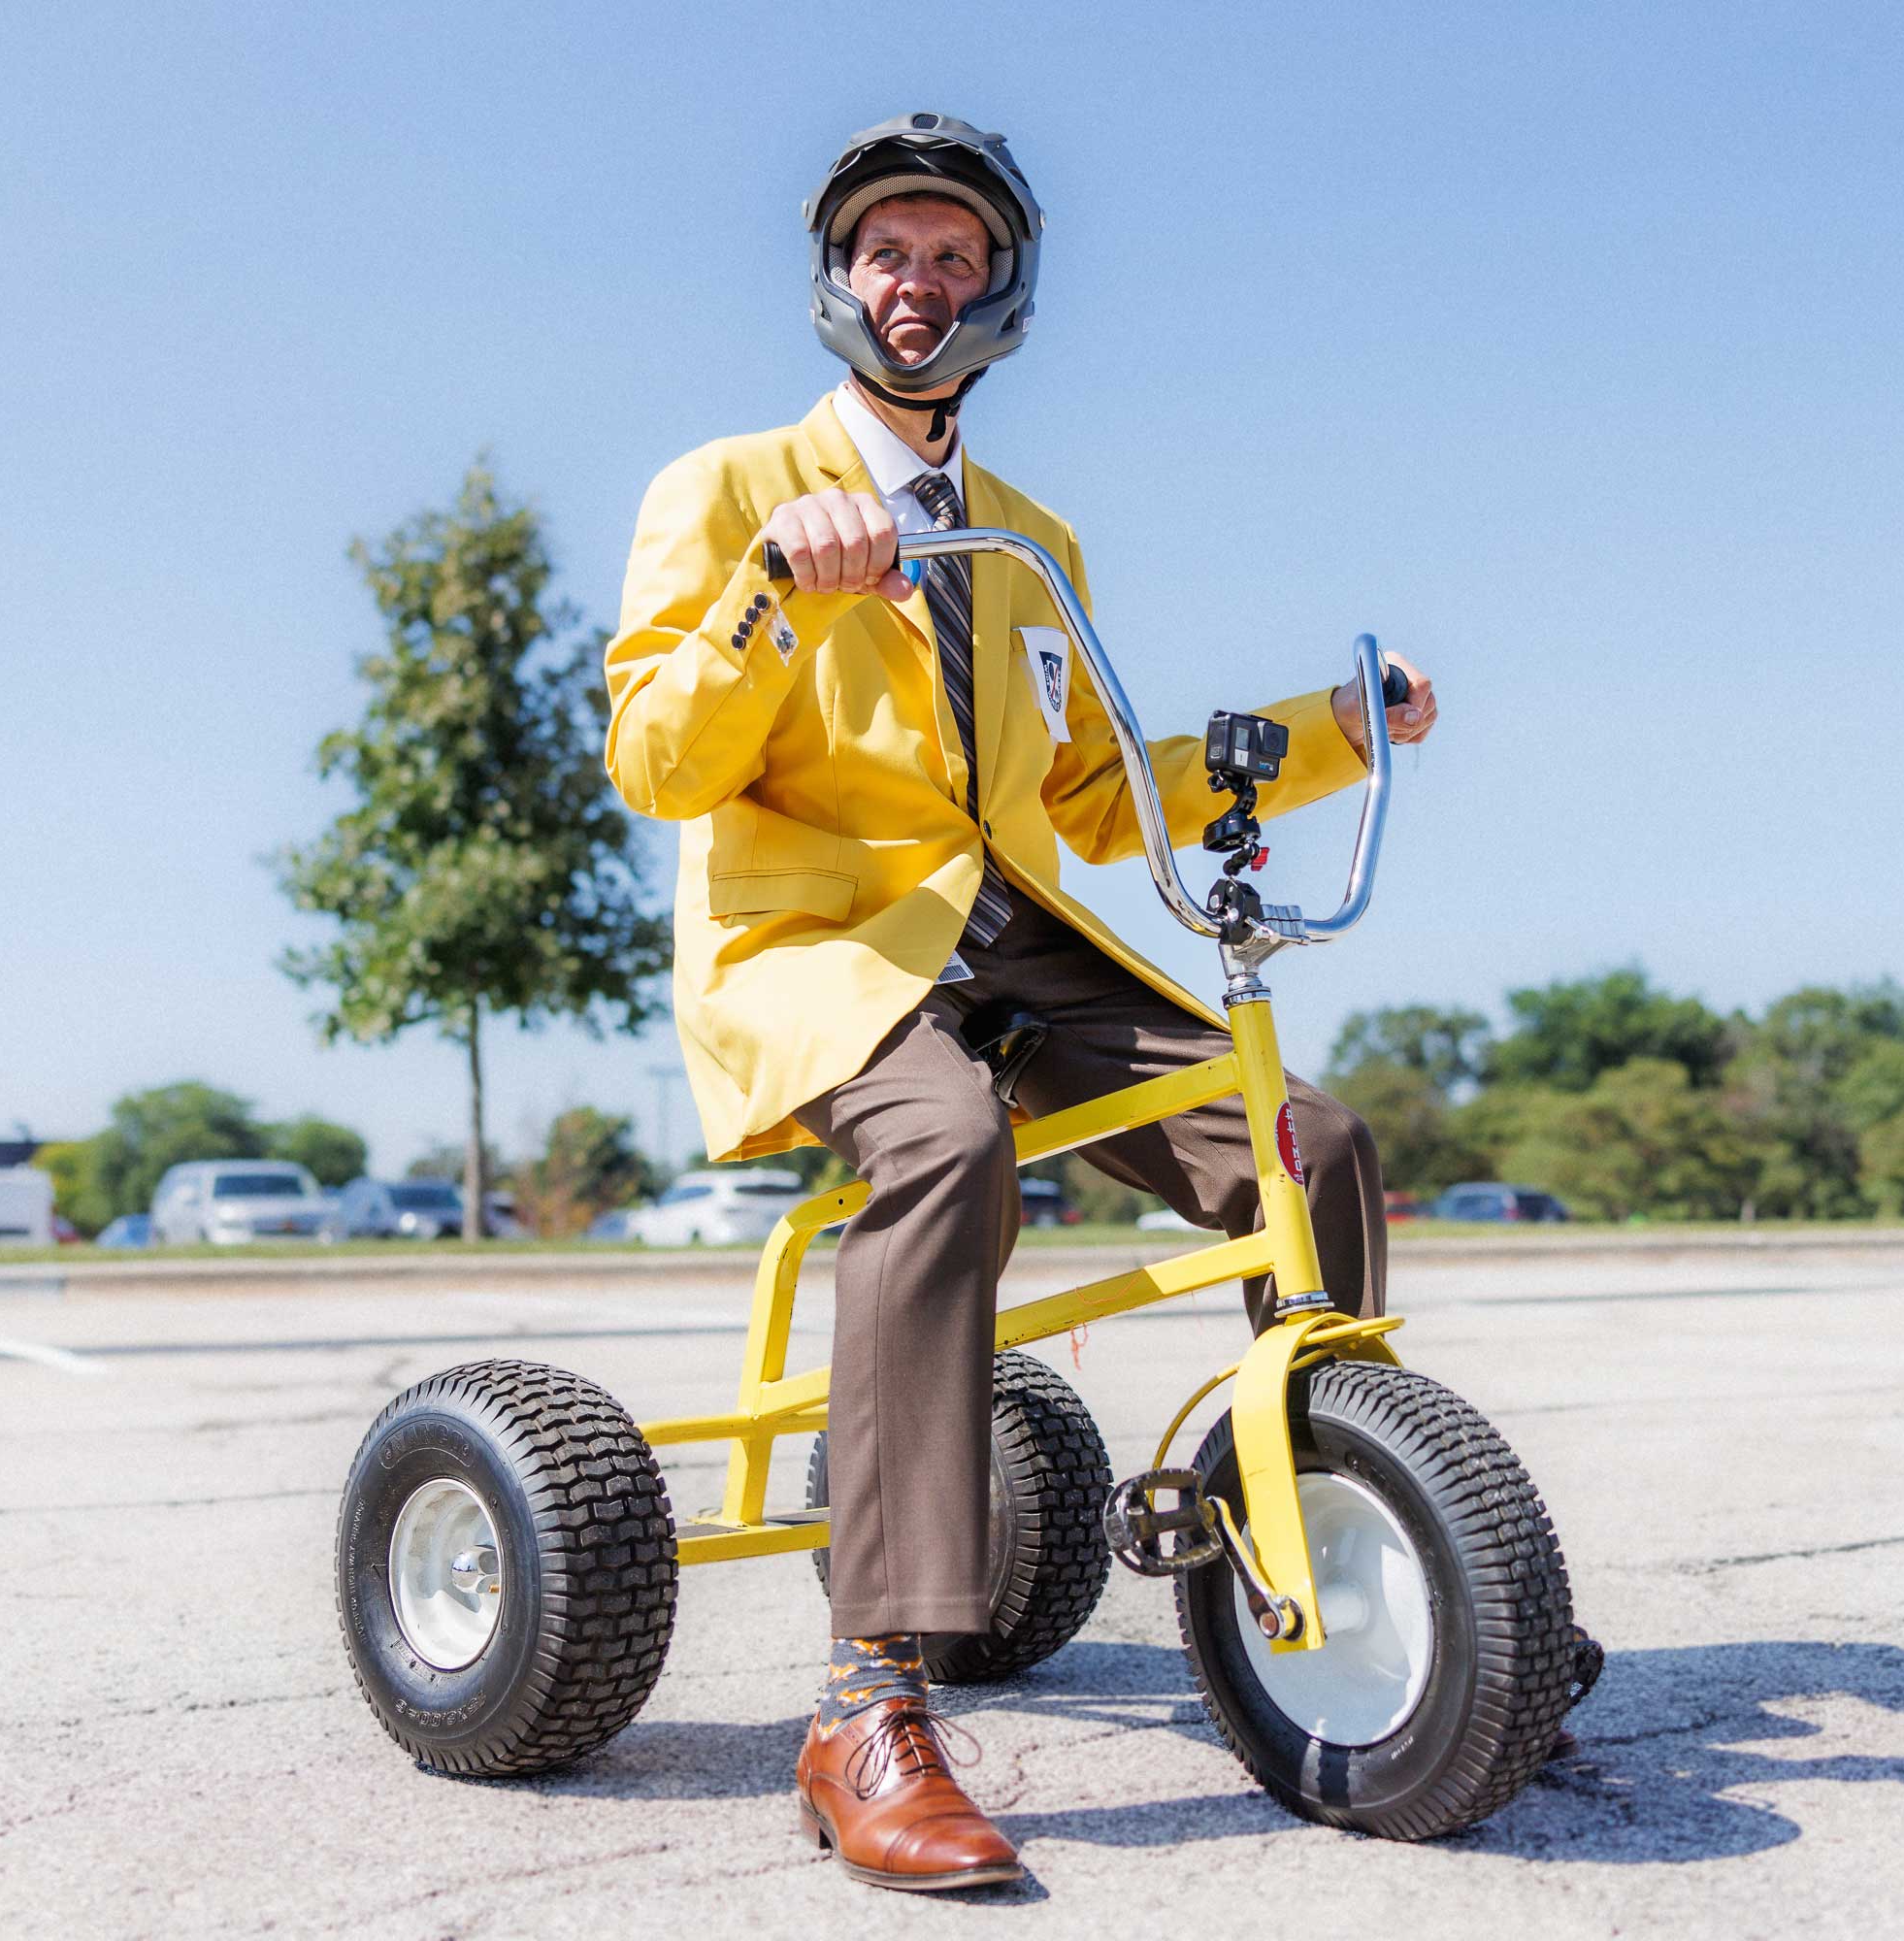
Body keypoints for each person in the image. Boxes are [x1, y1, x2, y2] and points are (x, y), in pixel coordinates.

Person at [605, 112, 1439, 1892]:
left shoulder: (1031, 536)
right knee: (947, 1144)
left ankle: (1365, 1557)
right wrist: (772, 591)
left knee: (1311, 1143)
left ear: (1003, 292)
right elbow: (658, 763)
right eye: (889, 252)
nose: (919, 282)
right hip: (824, 949)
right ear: (840, 282)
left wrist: (1332, 733)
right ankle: (867, 1696)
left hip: (1012, 944)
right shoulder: (729, 490)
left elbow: (1087, 799)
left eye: (954, 255)